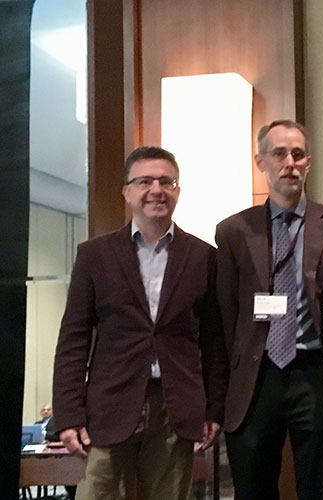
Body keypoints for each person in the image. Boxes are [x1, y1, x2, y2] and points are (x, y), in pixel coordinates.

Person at [53, 146, 225, 500]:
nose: (156, 190)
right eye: (144, 181)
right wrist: (68, 413)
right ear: (127, 192)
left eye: (166, 181)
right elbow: (73, 339)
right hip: (108, 407)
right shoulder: (94, 255)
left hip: (174, 408)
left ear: (177, 190)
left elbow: (213, 342)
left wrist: (214, 407)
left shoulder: (204, 257)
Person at [216, 120, 323, 500]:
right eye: (279, 154)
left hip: (316, 373)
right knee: (252, 487)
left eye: (298, 154)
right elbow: (225, 314)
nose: (289, 162)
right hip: (256, 378)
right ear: (260, 162)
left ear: (308, 163)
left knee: (317, 485)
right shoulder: (233, 231)